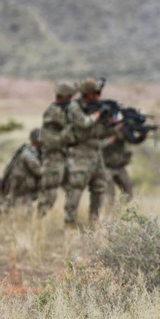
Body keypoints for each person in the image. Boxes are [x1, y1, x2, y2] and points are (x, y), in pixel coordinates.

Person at [62, 77, 114, 226]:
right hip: (80, 153)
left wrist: (110, 120)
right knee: (76, 188)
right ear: (88, 94)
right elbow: (84, 123)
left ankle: (94, 222)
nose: (98, 96)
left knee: (99, 187)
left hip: (96, 153)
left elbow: (103, 131)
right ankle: (69, 223)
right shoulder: (74, 107)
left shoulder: (95, 107)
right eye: (95, 93)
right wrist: (98, 113)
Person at [36, 82, 76, 217]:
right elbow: (67, 126)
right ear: (63, 97)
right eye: (69, 97)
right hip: (53, 158)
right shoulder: (53, 111)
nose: (71, 100)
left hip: (64, 157)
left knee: (73, 189)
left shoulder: (63, 110)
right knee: (50, 193)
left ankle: (69, 220)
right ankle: (38, 223)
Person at [2, 128, 43, 207]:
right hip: (22, 187)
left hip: (20, 186)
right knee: (23, 211)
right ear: (37, 141)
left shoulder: (29, 150)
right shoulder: (29, 154)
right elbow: (39, 171)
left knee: (14, 204)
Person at [102, 131, 136, 204]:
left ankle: (118, 209)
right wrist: (114, 135)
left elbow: (134, 140)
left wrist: (142, 135)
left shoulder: (123, 129)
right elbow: (100, 143)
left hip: (119, 166)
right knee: (110, 192)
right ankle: (109, 212)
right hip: (105, 166)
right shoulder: (104, 127)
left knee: (128, 189)